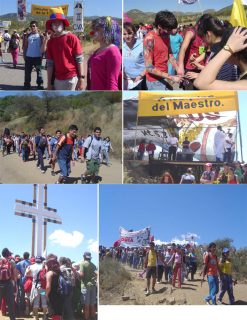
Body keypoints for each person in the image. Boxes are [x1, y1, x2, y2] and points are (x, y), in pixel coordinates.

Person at [46, 7, 84, 91]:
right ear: (51, 26)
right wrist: (49, 83)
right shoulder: (50, 42)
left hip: (72, 78)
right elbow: (49, 64)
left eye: (58, 22)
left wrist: (81, 79)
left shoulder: (72, 38)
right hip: (57, 79)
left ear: (63, 24)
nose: (56, 24)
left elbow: (79, 59)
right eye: (54, 22)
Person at [143, 11, 182, 90]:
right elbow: (149, 67)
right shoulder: (149, 39)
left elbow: (170, 54)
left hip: (164, 76)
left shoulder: (166, 35)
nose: (170, 32)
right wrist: (171, 77)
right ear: (159, 26)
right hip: (154, 81)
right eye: (168, 30)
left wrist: (177, 69)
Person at [87, 16, 121, 90]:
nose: (93, 32)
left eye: (97, 29)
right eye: (93, 29)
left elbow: (112, 83)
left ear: (107, 31)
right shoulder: (98, 50)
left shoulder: (113, 52)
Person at [177, 14, 210, 89]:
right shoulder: (191, 32)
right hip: (189, 67)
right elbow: (183, 49)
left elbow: (205, 51)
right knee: (190, 91)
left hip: (200, 67)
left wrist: (197, 61)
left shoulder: (206, 33)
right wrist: (181, 66)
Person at [123, 22, 146, 90]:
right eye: (124, 34)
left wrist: (140, 76)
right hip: (127, 80)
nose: (127, 36)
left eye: (130, 33)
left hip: (141, 80)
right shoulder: (123, 47)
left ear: (135, 33)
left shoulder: (142, 45)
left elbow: (149, 64)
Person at [23, 21, 44, 90]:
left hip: (38, 57)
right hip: (29, 57)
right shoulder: (27, 35)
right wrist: (24, 55)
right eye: (31, 26)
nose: (32, 27)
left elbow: (43, 46)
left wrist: (42, 56)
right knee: (27, 72)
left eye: (34, 26)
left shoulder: (40, 36)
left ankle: (40, 84)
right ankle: (27, 84)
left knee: (40, 72)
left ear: (37, 27)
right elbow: (25, 46)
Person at [0, 248, 17, 320]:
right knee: (10, 304)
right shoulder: (12, 261)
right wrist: (14, 283)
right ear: (8, 254)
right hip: (8, 283)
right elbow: (15, 274)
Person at [80, 252, 97, 320]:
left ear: (84, 256)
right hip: (92, 286)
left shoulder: (82, 264)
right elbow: (96, 275)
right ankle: (93, 317)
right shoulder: (93, 265)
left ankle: (86, 318)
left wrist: (79, 277)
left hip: (85, 286)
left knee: (86, 305)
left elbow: (81, 275)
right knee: (92, 304)